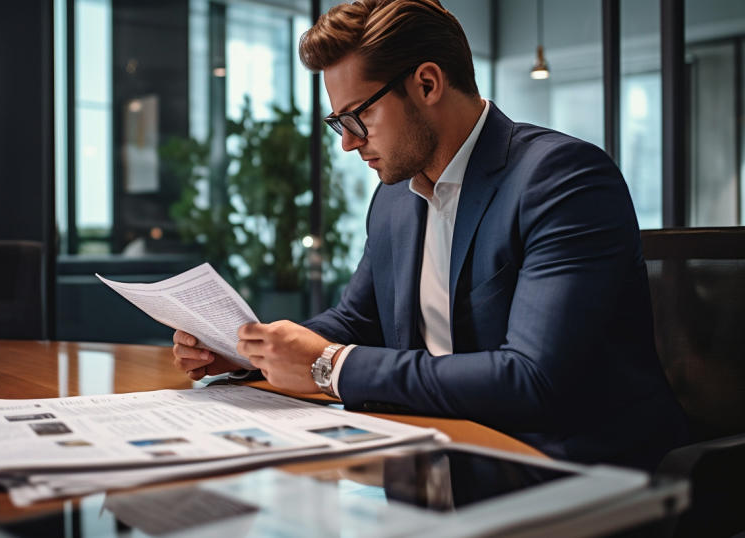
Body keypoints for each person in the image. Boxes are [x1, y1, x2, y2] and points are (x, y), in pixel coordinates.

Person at [171, 0, 687, 470]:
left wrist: (329, 365)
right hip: (439, 452)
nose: (348, 144)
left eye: (359, 116)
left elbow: (533, 379)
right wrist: (251, 352)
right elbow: (359, 320)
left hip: (571, 469)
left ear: (427, 83)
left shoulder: (561, 178)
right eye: (339, 122)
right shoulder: (396, 195)